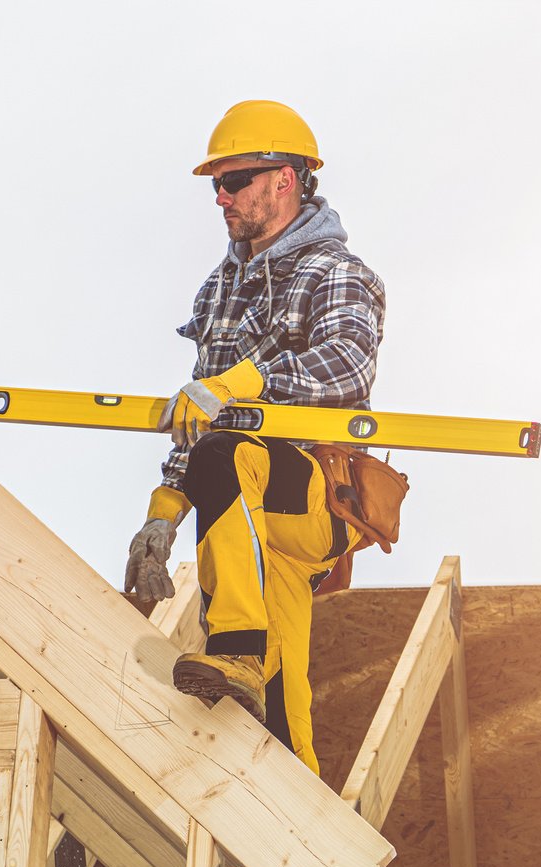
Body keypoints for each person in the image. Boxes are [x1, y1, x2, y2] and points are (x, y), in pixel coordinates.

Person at [122, 100, 386, 776]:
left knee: (227, 450)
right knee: (273, 701)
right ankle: (310, 832)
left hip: (311, 500)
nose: (221, 197)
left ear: (285, 180)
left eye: (235, 181)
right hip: (244, 520)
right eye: (217, 184)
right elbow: (196, 412)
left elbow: (348, 367)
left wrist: (242, 383)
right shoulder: (220, 291)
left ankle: (236, 641)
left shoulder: (337, 272)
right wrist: (163, 513)